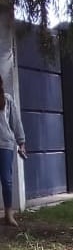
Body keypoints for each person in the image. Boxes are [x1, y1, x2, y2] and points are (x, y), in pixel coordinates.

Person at [0, 74, 26, 226]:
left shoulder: (7, 99)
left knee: (6, 180)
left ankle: (8, 214)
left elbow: (15, 122)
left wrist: (21, 142)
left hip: (5, 145)